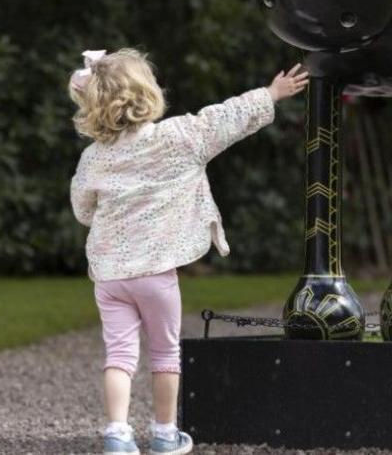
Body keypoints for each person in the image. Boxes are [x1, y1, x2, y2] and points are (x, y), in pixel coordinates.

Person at [67, 48, 308, 455]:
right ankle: (163, 435)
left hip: (110, 276)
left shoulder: (94, 158)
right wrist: (271, 93)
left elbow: (82, 208)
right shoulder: (179, 137)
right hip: (156, 273)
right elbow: (225, 118)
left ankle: (117, 435)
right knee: (165, 353)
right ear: (147, 92)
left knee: (120, 355)